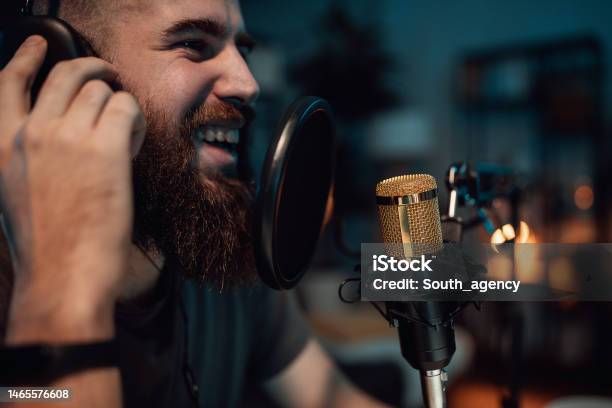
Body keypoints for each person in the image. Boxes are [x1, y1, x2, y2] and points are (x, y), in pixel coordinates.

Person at [0, 0, 389, 406]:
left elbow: (332, 400)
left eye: (244, 50)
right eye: (192, 43)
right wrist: (59, 284)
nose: (248, 83)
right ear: (59, 69)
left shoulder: (223, 250)